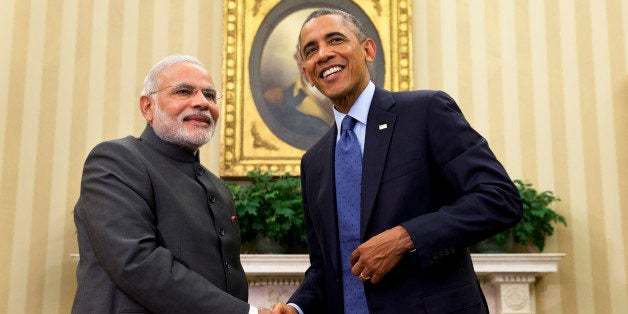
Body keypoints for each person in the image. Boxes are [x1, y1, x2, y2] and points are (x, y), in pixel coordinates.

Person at [272, 8, 522, 314]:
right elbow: (326, 268)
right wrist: (296, 307)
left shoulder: (426, 111)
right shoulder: (314, 163)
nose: (323, 54)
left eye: (335, 40)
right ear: (308, 74)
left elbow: (499, 199)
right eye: (311, 50)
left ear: (367, 50)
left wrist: (407, 237)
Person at [72, 55, 269, 314]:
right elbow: (137, 263)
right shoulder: (116, 160)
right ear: (147, 107)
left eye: (210, 96)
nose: (201, 103)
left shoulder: (217, 188)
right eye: (184, 91)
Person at [263, 44, 334, 150]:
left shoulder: (350, 92)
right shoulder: (281, 99)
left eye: (311, 52)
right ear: (297, 58)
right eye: (301, 53)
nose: (304, 58)